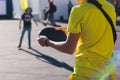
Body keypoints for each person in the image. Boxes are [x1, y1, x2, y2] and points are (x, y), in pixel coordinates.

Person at [37, 0, 117, 80]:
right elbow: (98, 32)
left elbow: (69, 48)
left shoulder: (78, 10)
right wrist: (71, 32)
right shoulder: (110, 8)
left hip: (87, 73)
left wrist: (47, 42)